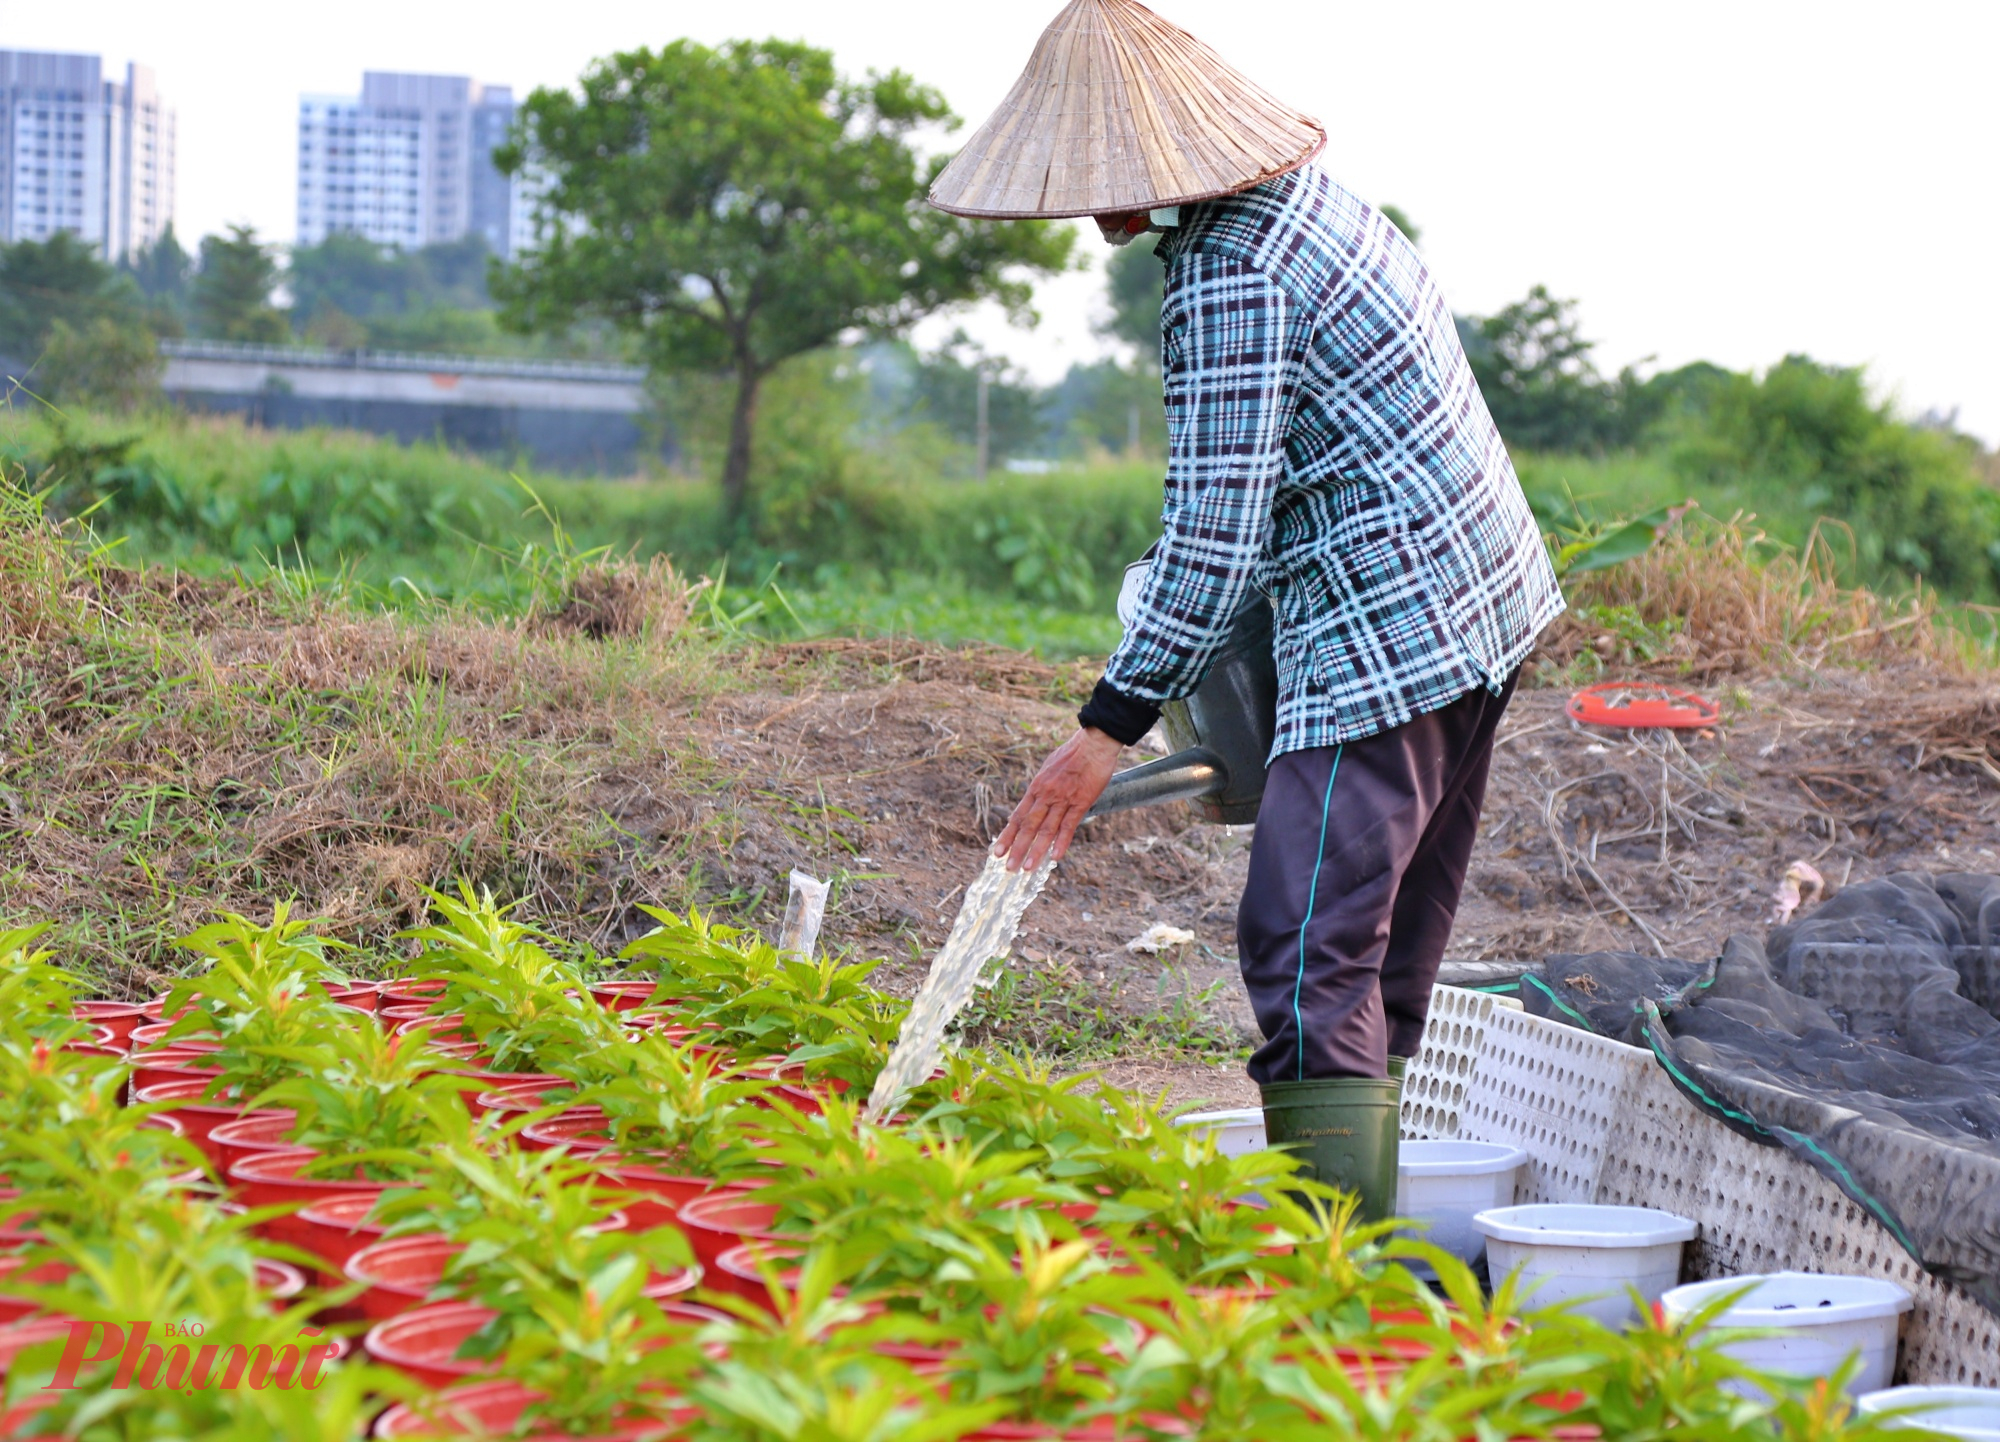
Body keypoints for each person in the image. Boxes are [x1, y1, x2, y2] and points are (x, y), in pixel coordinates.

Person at [928, 0, 1563, 1218]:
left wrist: (1101, 727)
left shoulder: (1231, 269)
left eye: (1114, 180)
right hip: (1480, 606)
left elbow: (1214, 535)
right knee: (1371, 951)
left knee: (1303, 939)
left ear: (1181, 157)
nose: (1099, 211)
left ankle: (1332, 1289)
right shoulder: (1315, 202)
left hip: (1391, 628)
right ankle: (1361, 1222)